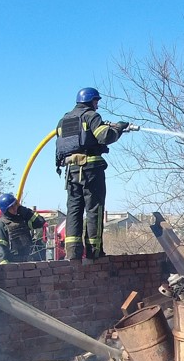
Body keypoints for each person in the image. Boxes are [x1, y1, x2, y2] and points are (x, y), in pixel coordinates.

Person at [55, 87, 132, 262]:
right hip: (91, 172)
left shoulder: (64, 120)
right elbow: (105, 137)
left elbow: (61, 146)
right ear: (90, 101)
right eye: (96, 101)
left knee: (73, 210)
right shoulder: (91, 116)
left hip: (71, 172)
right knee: (94, 209)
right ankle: (94, 251)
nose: (97, 105)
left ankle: (73, 253)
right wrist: (118, 128)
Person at [0, 193, 47, 264]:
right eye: (11, 207)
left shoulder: (22, 221)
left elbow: (40, 222)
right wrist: (7, 268)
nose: (15, 208)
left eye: (15, 205)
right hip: (13, 264)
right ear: (5, 209)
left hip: (27, 263)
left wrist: (25, 211)